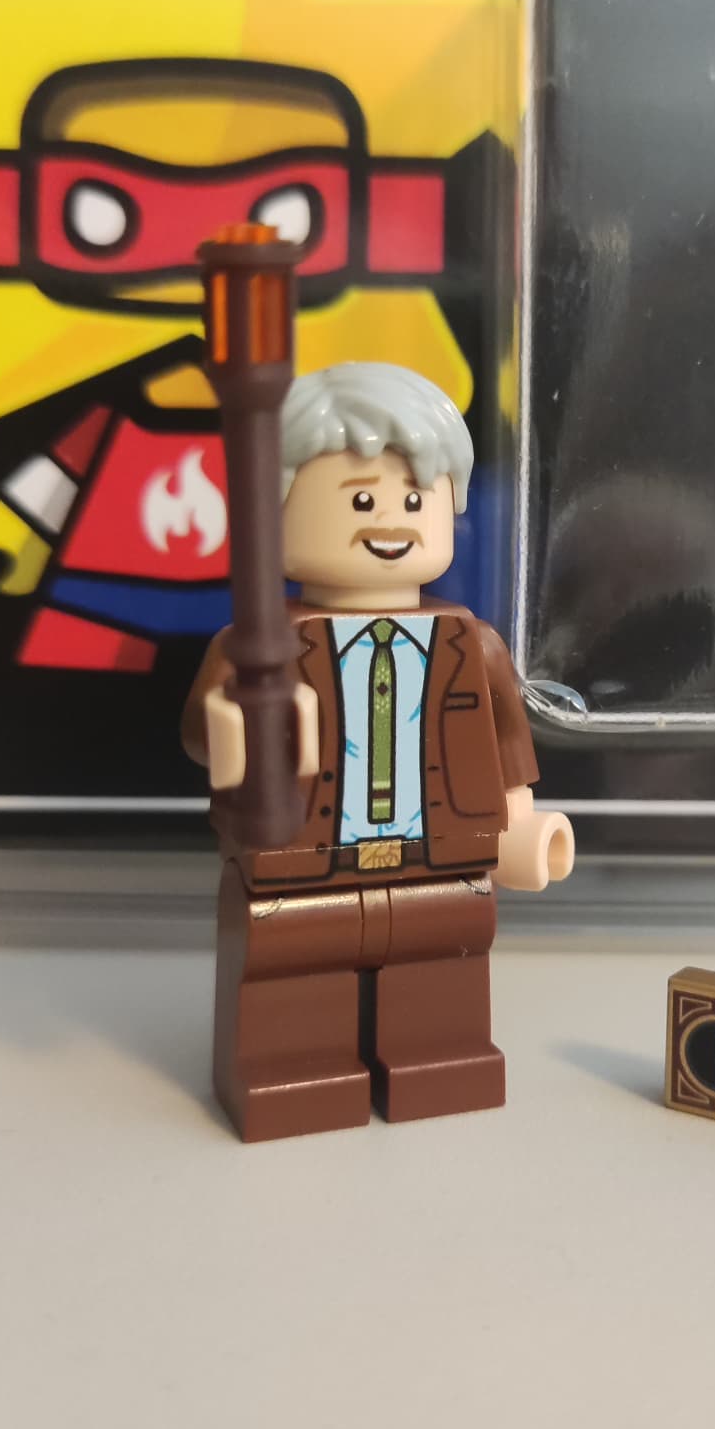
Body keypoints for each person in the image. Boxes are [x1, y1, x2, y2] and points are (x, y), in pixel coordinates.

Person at [183, 362, 574, 1141]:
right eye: (360, 500)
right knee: (294, 968)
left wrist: (520, 825)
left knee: (441, 964)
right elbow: (199, 732)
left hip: (441, 857)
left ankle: (439, 1057)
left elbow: (506, 747)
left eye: (415, 499)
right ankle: (292, 1070)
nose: (390, 521)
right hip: (302, 861)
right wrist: (238, 726)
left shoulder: (470, 643)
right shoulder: (260, 650)